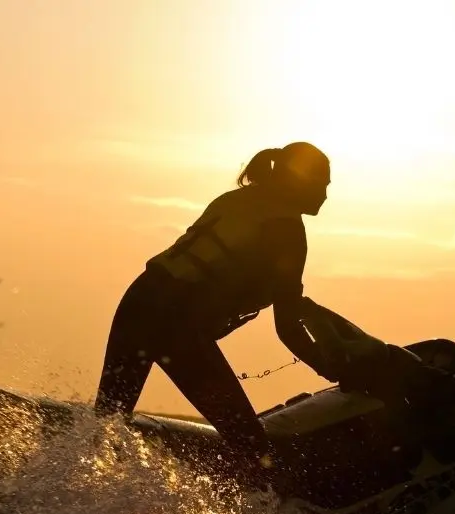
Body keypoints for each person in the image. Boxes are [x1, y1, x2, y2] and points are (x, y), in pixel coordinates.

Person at [93, 142, 341, 485]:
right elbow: (287, 327)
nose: (326, 195)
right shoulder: (286, 231)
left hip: (138, 303)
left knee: (107, 422)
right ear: (299, 181)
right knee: (254, 451)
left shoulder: (236, 201)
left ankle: (71, 498)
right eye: (323, 184)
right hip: (175, 326)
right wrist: (334, 370)